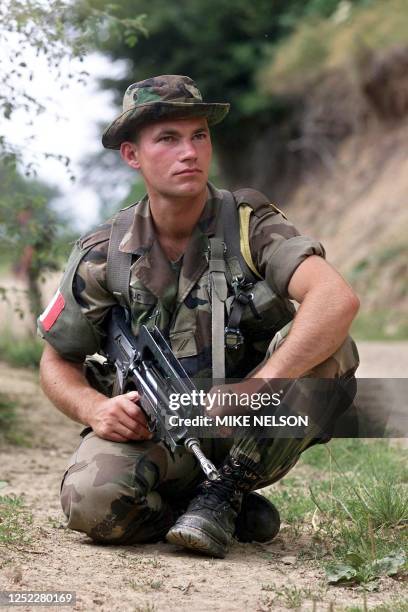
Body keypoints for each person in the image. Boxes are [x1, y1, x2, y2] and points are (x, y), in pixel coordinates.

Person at [38, 75, 360, 558]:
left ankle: (226, 492)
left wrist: (259, 386)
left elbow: (336, 299)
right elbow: (56, 359)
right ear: (132, 155)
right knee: (91, 503)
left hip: (252, 428)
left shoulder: (251, 224)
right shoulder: (103, 254)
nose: (188, 152)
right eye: (167, 139)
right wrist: (94, 409)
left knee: (328, 341)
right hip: (160, 432)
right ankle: (209, 507)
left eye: (198, 136)